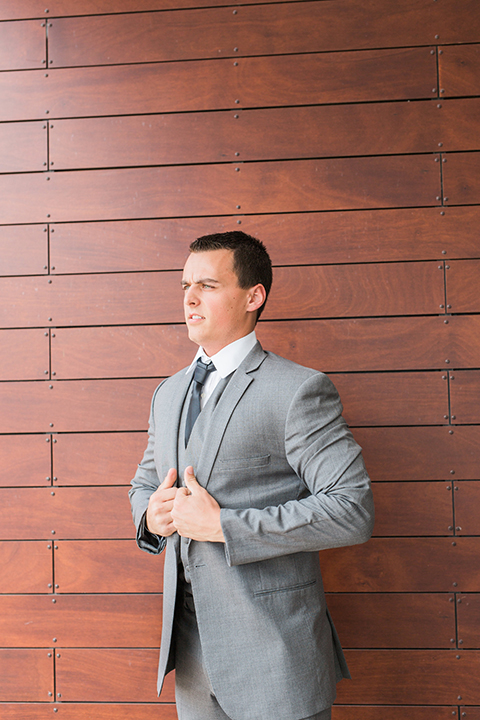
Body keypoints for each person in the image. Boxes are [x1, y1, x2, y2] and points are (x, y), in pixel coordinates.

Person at [129, 231, 374, 720]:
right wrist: (151, 516)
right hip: (192, 656)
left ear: (253, 295)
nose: (190, 298)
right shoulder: (168, 393)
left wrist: (225, 526)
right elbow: (144, 484)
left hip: (275, 655)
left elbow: (352, 509)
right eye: (184, 286)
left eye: (208, 285)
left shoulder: (298, 390)